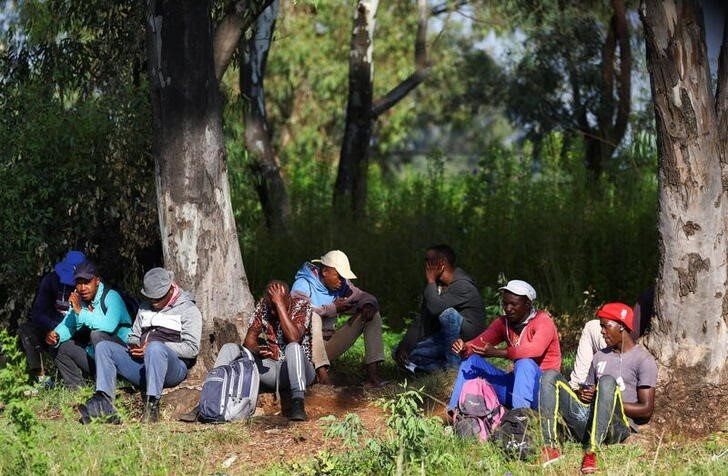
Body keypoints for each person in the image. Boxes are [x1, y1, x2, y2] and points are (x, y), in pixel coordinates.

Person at [539, 302, 657, 473]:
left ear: (622, 326)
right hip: (589, 421)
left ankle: (591, 452)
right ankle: (549, 447)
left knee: (607, 382)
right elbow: (589, 392)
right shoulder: (600, 356)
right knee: (549, 375)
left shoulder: (643, 360)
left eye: (605, 326)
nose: (602, 331)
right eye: (601, 326)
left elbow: (646, 409)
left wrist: (606, 401)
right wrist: (582, 394)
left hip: (616, 427)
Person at [78, 268, 202, 424]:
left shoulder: (188, 310)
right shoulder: (145, 307)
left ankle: (152, 407)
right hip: (142, 366)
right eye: (151, 298)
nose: (154, 302)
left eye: (158, 298)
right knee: (103, 347)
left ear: (171, 289)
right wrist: (134, 344)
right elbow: (133, 335)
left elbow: (192, 349)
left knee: (155, 348)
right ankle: (105, 404)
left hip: (172, 370)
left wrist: (155, 346)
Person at [447, 280, 561, 413]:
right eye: (505, 303)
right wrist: (465, 348)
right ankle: (453, 411)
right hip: (517, 388)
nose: (508, 308)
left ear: (528, 304)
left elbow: (535, 350)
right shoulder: (503, 323)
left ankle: (521, 419)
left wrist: (499, 352)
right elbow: (479, 343)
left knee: (524, 363)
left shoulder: (543, 320)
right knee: (471, 361)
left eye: (513, 304)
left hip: (544, 391)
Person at [213, 281, 315, 421]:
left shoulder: (302, 305)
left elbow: (294, 337)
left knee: (293, 347)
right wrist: (257, 351)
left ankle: (297, 402)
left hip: (301, 369)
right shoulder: (264, 306)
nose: (272, 311)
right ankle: (212, 392)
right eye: (270, 305)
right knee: (229, 348)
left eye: (275, 305)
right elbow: (249, 341)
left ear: (288, 299)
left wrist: (279, 305)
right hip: (274, 370)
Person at [291, 250, 384, 386]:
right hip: (305, 351)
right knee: (314, 316)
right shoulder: (303, 283)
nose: (341, 281)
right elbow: (299, 311)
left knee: (373, 315)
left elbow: (365, 296)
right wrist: (332, 308)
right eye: (338, 276)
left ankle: (373, 375)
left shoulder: (341, 285)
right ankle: (322, 375)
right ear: (325, 272)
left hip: (328, 346)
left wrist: (368, 305)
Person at [394, 245, 485, 373]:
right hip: (445, 340)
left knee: (448, 314)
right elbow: (422, 319)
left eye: (428, 260)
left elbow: (436, 308)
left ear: (441, 263)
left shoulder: (463, 285)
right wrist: (405, 346)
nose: (425, 265)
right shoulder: (436, 287)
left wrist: (431, 281)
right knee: (401, 353)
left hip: (467, 342)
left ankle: (453, 369)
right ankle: (440, 371)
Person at [45, 260, 132, 389]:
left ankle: (107, 385)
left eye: (87, 282)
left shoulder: (112, 296)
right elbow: (69, 325)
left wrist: (80, 312)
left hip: (124, 358)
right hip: (97, 358)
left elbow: (108, 325)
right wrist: (55, 336)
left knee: (97, 335)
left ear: (97, 281)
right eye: (79, 283)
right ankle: (77, 390)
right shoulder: (79, 299)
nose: (82, 288)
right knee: (61, 347)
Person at [18, 250, 86, 385]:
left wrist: (63, 331)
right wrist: (53, 328)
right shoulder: (51, 280)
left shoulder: (87, 287)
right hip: (51, 327)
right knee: (27, 331)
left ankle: (77, 378)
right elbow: (37, 312)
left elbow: (88, 320)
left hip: (77, 332)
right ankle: (41, 379)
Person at [569, 287, 654, 390]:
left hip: (628, 340)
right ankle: (580, 387)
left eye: (604, 327)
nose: (602, 331)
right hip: (629, 336)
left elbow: (633, 326)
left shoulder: (651, 292)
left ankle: (577, 385)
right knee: (592, 327)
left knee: (591, 327)